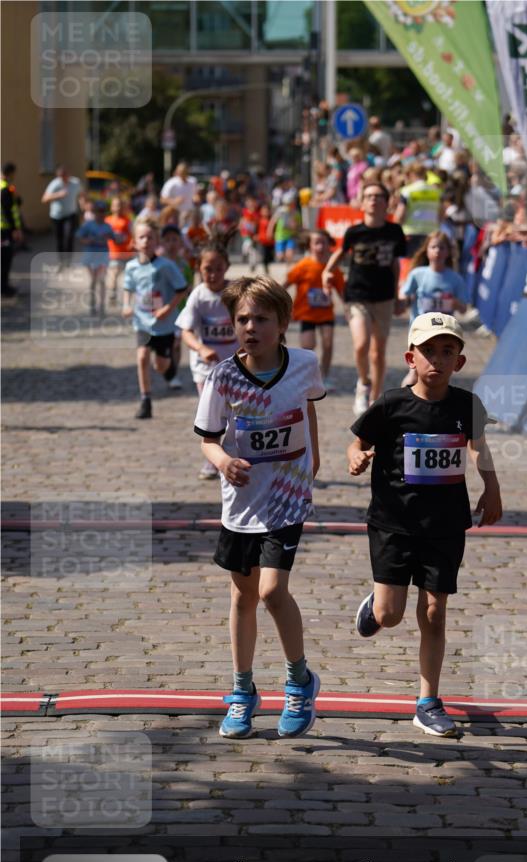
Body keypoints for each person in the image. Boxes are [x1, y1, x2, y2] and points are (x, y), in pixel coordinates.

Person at [347, 312, 502, 737]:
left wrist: (492, 487)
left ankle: (428, 701)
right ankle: (376, 604)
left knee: (434, 612)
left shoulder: (466, 406)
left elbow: (478, 447)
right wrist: (356, 458)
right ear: (411, 357)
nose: (437, 359)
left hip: (445, 524)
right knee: (391, 615)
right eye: (428, 351)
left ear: (460, 362)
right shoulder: (391, 405)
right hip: (393, 522)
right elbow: (356, 444)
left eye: (447, 351)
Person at [193, 276, 326, 739]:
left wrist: (314, 459)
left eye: (261, 319)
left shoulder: (305, 364)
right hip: (241, 504)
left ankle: (299, 680)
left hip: (287, 499)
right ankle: (243, 691)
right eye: (242, 319)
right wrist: (225, 461)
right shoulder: (223, 376)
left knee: (271, 591)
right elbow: (208, 440)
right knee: (242, 596)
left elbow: (308, 408)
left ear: (283, 323)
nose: (250, 327)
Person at [323, 181, 407, 416]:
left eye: (378, 196)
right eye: (368, 195)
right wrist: (327, 271)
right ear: (362, 202)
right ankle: (363, 383)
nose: (373, 199)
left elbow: (395, 264)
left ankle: (376, 398)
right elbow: (340, 253)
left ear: (386, 202)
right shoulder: (354, 231)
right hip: (357, 294)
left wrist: (399, 294)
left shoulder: (394, 232)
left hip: (384, 296)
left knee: (378, 351)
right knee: (361, 345)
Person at [177, 232, 237, 480]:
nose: (212, 275)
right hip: (205, 369)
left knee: (235, 413)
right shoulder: (198, 295)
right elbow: (186, 332)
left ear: (227, 268)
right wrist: (201, 349)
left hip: (234, 366)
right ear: (199, 268)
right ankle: (213, 461)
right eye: (207, 269)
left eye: (218, 269)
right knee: (213, 414)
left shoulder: (235, 293)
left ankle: (233, 455)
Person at [122, 220, 189, 419]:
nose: (146, 241)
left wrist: (168, 309)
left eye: (150, 237)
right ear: (134, 242)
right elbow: (128, 288)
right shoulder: (131, 267)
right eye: (142, 237)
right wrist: (126, 304)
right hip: (142, 322)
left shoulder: (166, 266)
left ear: (156, 241)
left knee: (161, 365)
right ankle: (146, 400)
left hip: (164, 325)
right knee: (142, 357)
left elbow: (182, 289)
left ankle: (168, 371)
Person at [398, 231, 468, 387]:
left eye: (442, 247)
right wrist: (402, 300)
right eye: (434, 247)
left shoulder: (455, 279)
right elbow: (404, 294)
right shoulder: (418, 274)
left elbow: (463, 309)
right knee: (414, 372)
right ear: (426, 250)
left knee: (439, 374)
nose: (437, 251)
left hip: (444, 333)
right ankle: (402, 401)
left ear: (448, 252)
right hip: (420, 333)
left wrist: (453, 302)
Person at [284, 230, 345, 389]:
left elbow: (342, 291)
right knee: (307, 346)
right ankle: (307, 377)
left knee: (328, 344)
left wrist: (349, 308)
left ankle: (324, 376)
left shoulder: (332, 268)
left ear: (328, 244)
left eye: (323, 242)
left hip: (326, 313)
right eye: (316, 242)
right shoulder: (303, 266)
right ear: (309, 245)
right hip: (306, 313)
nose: (320, 246)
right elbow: (286, 284)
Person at [159, 224, 194, 390]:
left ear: (180, 243)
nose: (171, 244)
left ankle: (173, 373)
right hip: (162, 311)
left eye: (175, 240)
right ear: (162, 243)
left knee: (177, 343)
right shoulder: (158, 264)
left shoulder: (184, 265)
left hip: (180, 310)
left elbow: (189, 287)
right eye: (167, 240)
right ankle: (166, 367)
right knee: (164, 345)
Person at [77, 201, 117, 317]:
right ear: (94, 213)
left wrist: (116, 237)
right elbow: (79, 236)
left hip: (103, 254)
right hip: (90, 254)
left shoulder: (107, 226)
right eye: (98, 212)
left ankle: (102, 306)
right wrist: (87, 240)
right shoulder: (88, 225)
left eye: (103, 212)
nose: (101, 214)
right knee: (94, 280)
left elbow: (114, 238)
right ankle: (92, 304)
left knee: (102, 280)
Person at [394, 163, 443, 257]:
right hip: (431, 233)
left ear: (411, 174)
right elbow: (442, 214)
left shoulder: (407, 191)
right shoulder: (436, 191)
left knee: (410, 263)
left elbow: (400, 215)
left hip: (411, 232)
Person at [41, 165, 82, 265]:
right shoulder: (55, 184)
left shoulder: (75, 183)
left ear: (68, 174)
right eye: (60, 176)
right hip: (57, 216)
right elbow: (44, 199)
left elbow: (81, 195)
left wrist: (83, 207)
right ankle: (61, 261)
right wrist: (58, 195)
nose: (63, 178)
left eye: (64, 175)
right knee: (60, 239)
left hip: (70, 214)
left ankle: (68, 260)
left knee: (69, 236)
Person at [105, 196, 133, 305]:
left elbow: (133, 234)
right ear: (112, 207)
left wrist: (132, 244)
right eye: (116, 205)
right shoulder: (107, 221)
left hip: (127, 254)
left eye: (121, 205)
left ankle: (128, 299)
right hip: (114, 254)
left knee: (129, 278)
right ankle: (112, 294)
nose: (118, 208)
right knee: (113, 275)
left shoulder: (127, 220)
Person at [1, 162, 22, 297]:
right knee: (5, 258)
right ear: (10, 173)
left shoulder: (6, 188)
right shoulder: (6, 189)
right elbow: (9, 210)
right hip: (5, 229)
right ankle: (4, 288)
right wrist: (16, 229)